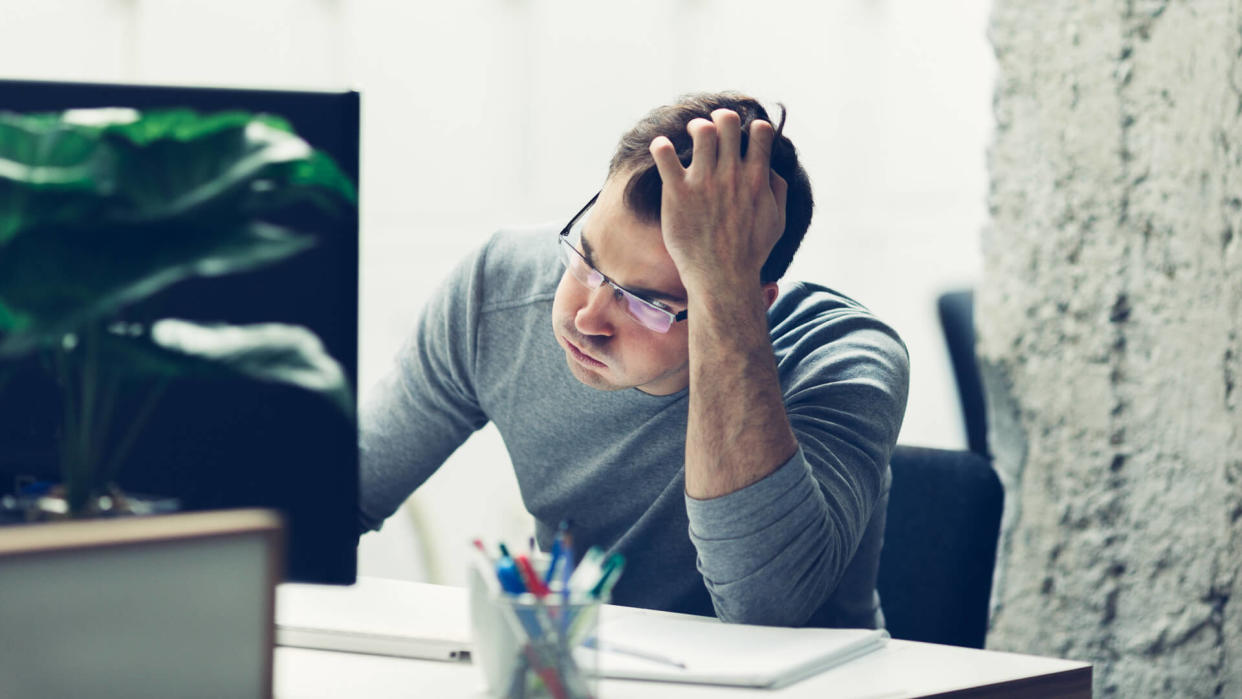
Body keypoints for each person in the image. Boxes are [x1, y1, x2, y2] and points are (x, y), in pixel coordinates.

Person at [359, 92, 909, 628]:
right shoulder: (498, 289)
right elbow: (334, 500)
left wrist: (723, 289)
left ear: (754, 303)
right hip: (576, 667)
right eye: (587, 258)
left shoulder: (846, 358)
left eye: (648, 302)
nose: (586, 320)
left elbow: (764, 611)